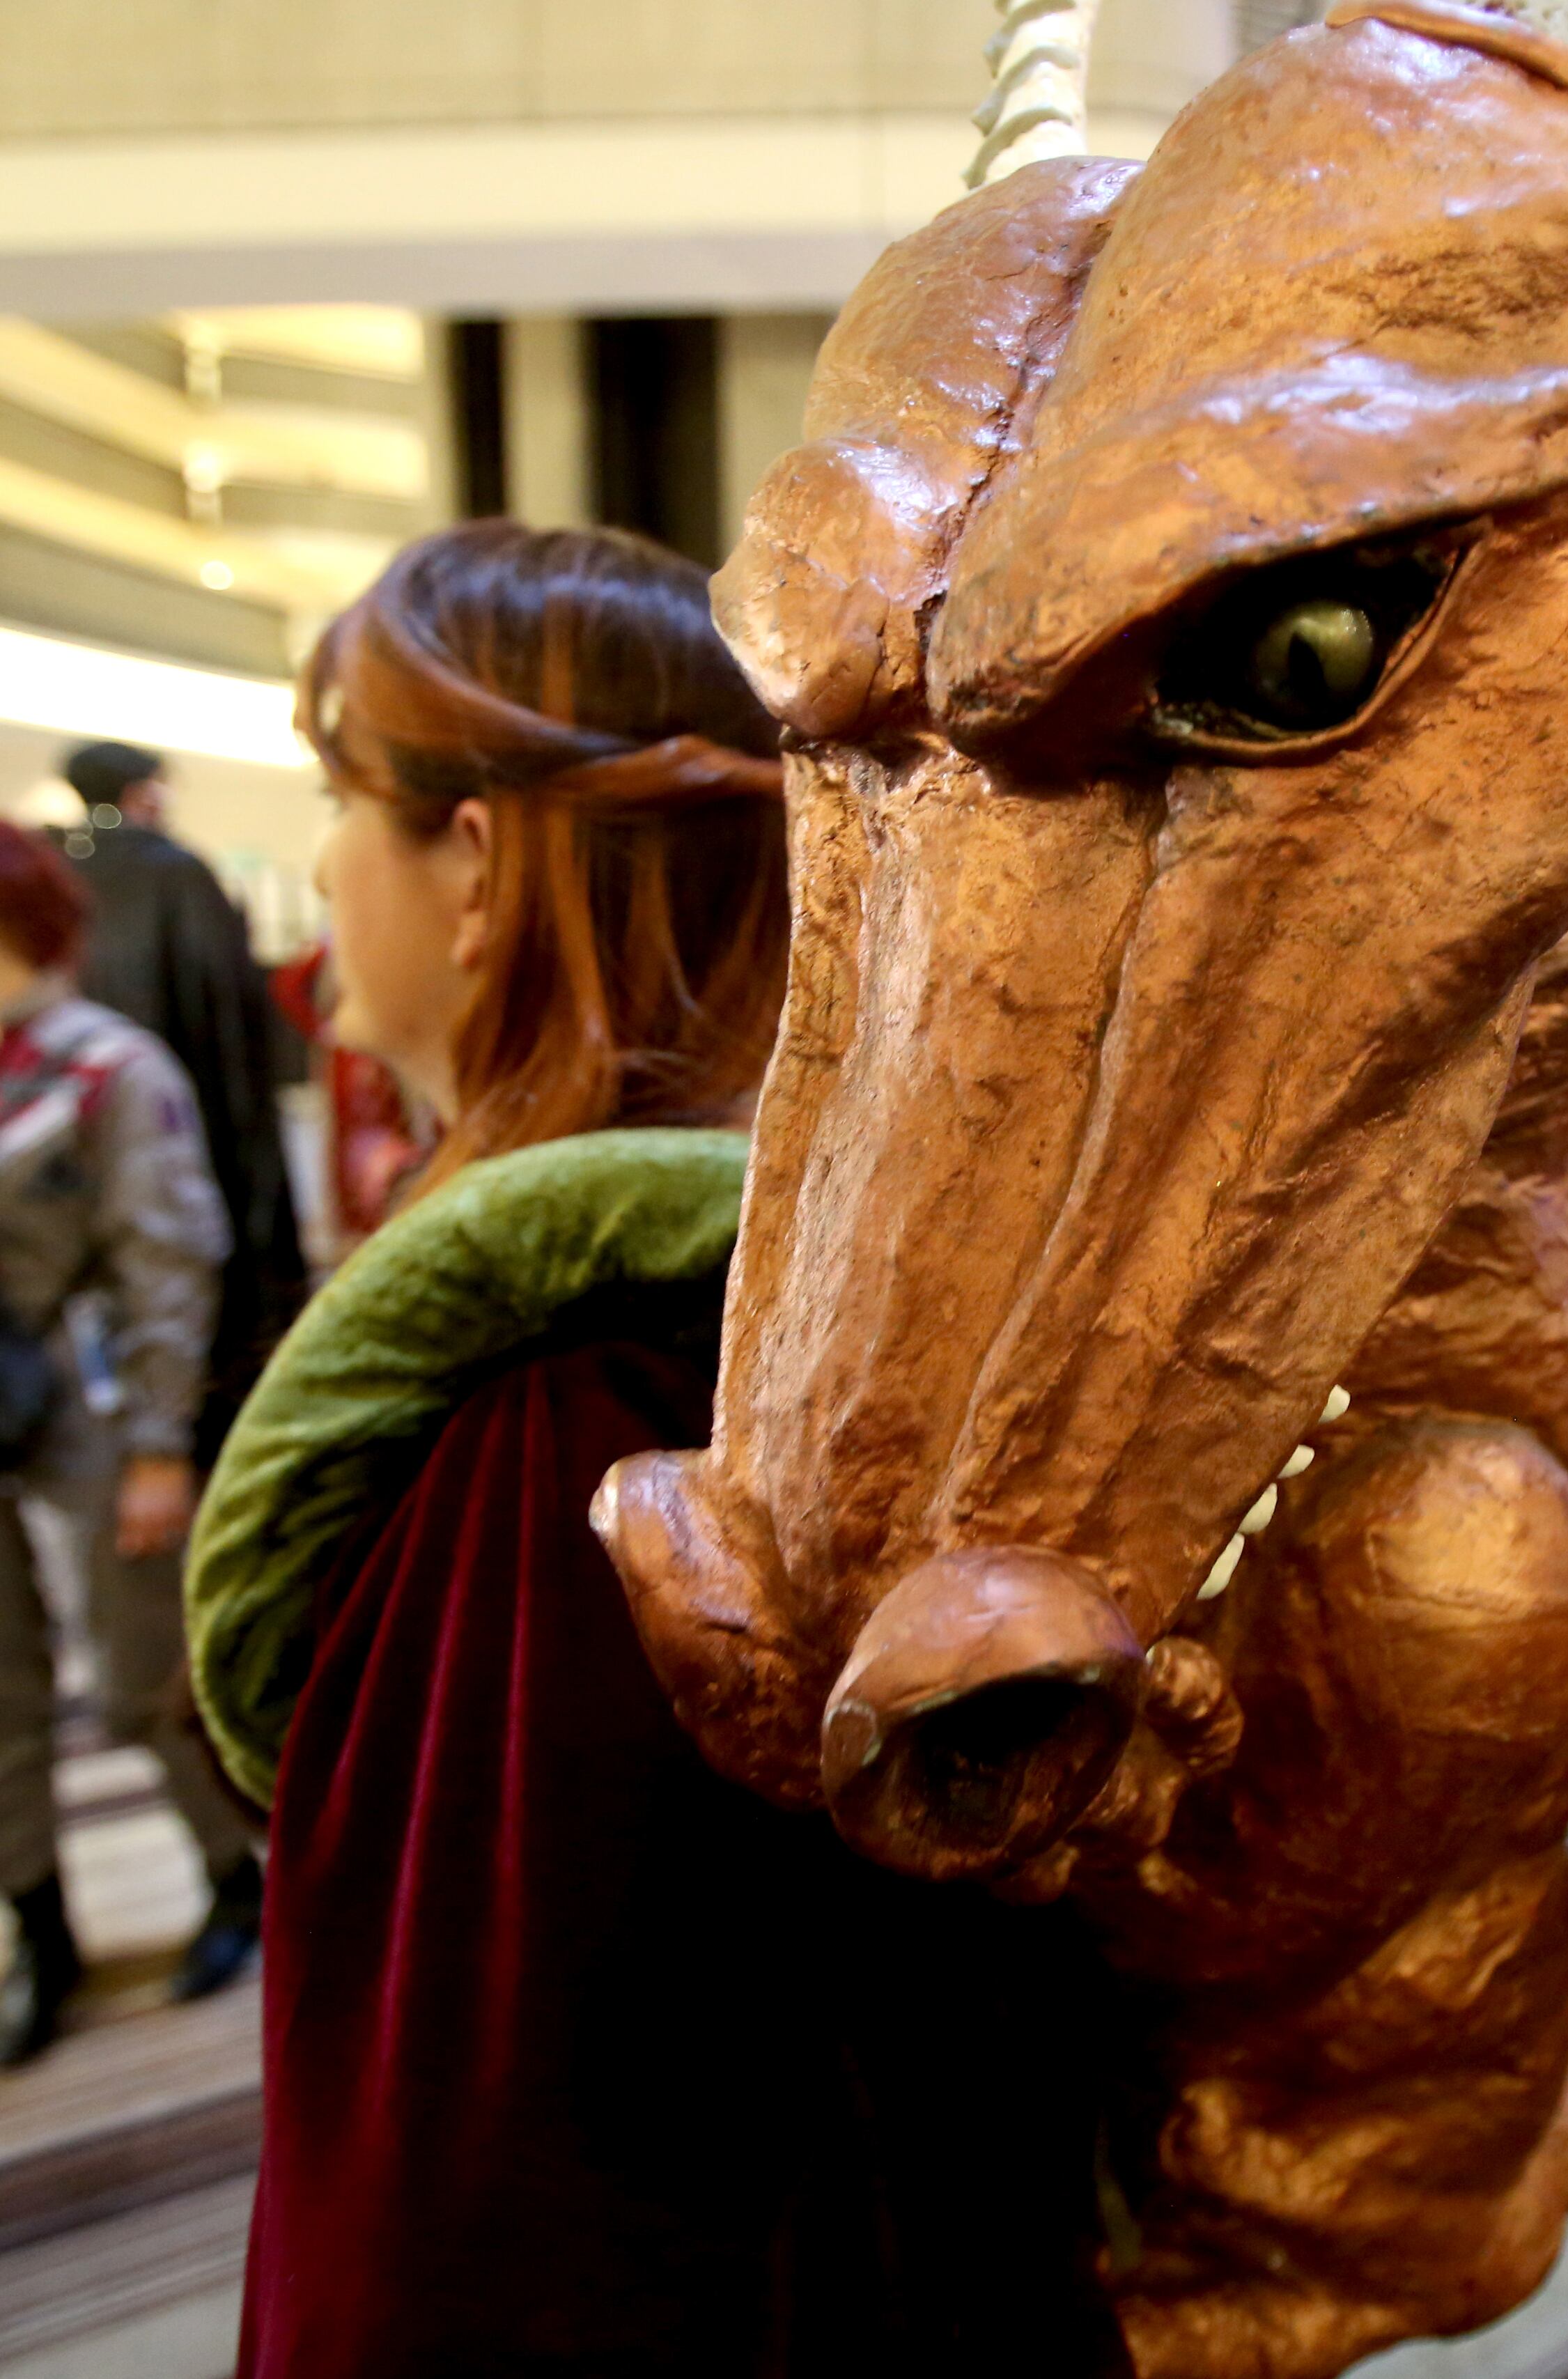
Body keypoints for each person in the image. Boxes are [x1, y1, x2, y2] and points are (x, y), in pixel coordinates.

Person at [194, 522, 1123, 2378]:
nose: (321, 869)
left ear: (475, 863)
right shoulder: (796, 1327)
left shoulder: (566, 1414)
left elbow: (476, 2183)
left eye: (341, 799)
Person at [0, 823, 251, 2063]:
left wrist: (161, 1443)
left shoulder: (107, 1069)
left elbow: (166, 1259)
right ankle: (38, 1924)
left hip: (93, 1413)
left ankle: (233, 1878)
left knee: (145, 1677)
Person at [54, 741, 310, 1464]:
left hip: (66, 1164)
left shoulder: (56, 875)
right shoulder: (176, 873)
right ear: (144, 793)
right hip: (190, 1140)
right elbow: (233, 1033)